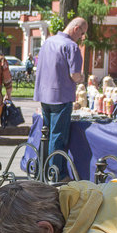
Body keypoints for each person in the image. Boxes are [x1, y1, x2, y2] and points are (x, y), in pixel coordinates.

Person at [35, 17, 87, 179]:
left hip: (45, 96)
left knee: (47, 135)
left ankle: (43, 170)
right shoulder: (71, 46)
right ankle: (56, 173)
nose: (82, 37)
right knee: (58, 137)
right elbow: (75, 75)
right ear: (76, 28)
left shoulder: (48, 42)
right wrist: (82, 78)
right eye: (82, 33)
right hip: (62, 97)